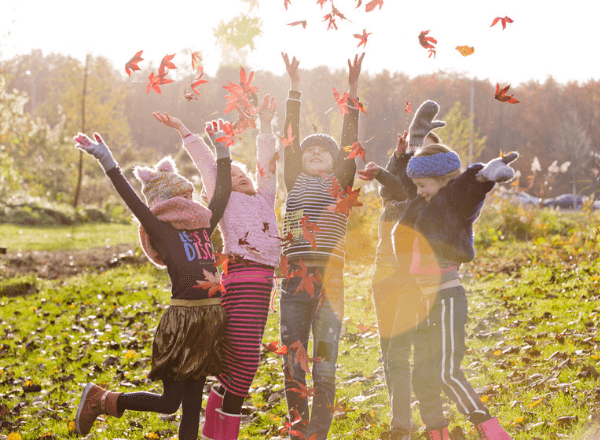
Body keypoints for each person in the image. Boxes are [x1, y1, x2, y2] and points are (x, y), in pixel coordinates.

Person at [73, 127, 232, 440]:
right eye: (180, 199)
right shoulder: (163, 232)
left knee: (191, 406)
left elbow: (222, 195)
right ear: (167, 204)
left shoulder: (202, 227)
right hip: (183, 321)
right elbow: (132, 200)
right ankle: (102, 399)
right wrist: (107, 160)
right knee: (170, 403)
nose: (187, 204)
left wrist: (223, 151)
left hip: (209, 320)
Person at [153, 94, 280, 440]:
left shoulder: (265, 198)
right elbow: (212, 169)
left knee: (241, 358)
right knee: (246, 361)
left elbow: (269, 168)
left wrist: (266, 126)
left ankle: (214, 424)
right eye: (233, 174)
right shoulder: (224, 203)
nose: (240, 177)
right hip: (239, 281)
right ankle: (222, 432)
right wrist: (186, 132)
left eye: (245, 175)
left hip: (264, 286)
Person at [391, 100, 517, 440]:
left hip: (446, 297)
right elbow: (413, 174)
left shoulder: (453, 200)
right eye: (417, 187)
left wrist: (487, 175)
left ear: (444, 180)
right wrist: (417, 135)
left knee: (445, 372)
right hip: (420, 301)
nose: (418, 192)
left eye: (425, 186)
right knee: (423, 376)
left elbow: (470, 188)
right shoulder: (424, 198)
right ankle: (438, 433)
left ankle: (489, 428)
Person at [278, 51, 364, 440]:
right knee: (294, 363)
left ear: (335, 162)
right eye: (309, 150)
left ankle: (318, 432)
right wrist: (294, 90)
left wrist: (352, 91)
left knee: (324, 366)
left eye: (323, 151)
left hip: (331, 283)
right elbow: (291, 136)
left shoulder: (340, 184)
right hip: (295, 283)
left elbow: (349, 143)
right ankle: (299, 430)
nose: (314, 153)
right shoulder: (293, 179)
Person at [357, 129, 445, 440]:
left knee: (415, 351)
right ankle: (402, 425)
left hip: (416, 278)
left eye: (432, 156)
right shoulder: (400, 188)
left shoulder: (429, 197)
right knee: (389, 350)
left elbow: (402, 188)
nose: (424, 162)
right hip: (384, 273)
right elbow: (392, 188)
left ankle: (430, 423)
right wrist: (396, 158)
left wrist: (385, 169)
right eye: (419, 154)